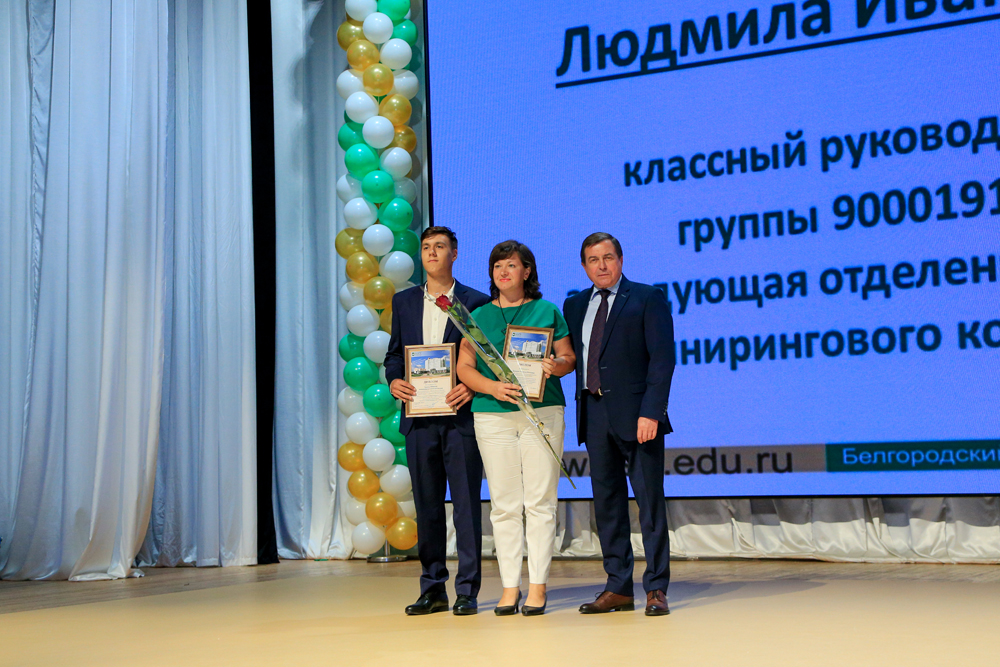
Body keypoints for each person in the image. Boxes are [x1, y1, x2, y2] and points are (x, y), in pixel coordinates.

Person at [456, 240, 576, 616]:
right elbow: (464, 368)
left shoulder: (547, 310)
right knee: (504, 505)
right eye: (497, 266)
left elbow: (568, 357)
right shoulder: (477, 315)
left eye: (511, 265)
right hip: (492, 415)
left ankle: (538, 586)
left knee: (539, 503)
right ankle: (510, 587)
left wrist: (557, 366)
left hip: (542, 411)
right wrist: (492, 387)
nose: (503, 272)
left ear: (527, 271)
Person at [562, 232, 675, 616]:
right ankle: (618, 587)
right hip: (593, 414)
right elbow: (573, 358)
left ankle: (656, 587)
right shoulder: (575, 304)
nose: (602, 266)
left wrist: (652, 412)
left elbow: (662, 359)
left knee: (649, 503)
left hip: (638, 416)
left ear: (621, 260)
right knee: (607, 505)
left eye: (608, 257)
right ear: (584, 266)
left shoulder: (646, 297)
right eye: (594, 260)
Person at [384, 226, 490, 616]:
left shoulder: (476, 301)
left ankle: (467, 590)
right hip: (419, 418)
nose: (431, 252)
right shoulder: (404, 301)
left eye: (440, 247)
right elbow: (394, 355)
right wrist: (394, 380)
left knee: (465, 506)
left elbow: (487, 358)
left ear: (454, 254)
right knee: (427, 506)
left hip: (460, 419)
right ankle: (432, 589)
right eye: (426, 247)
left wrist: (472, 388)